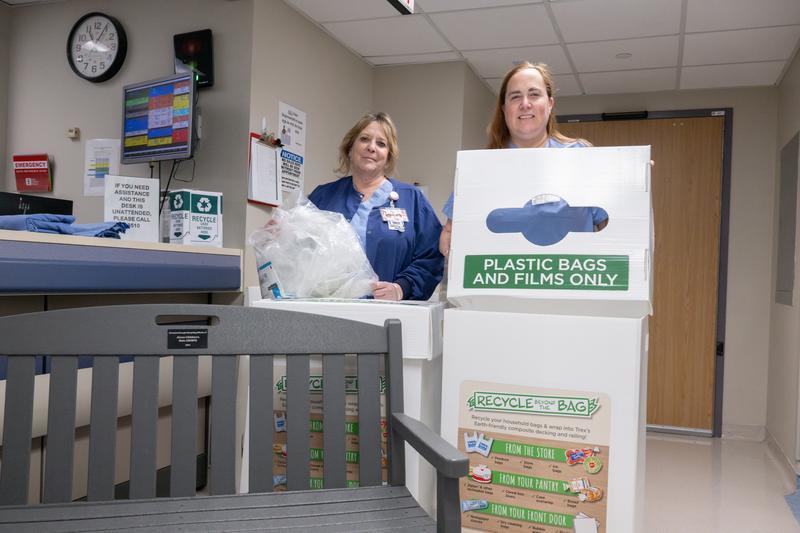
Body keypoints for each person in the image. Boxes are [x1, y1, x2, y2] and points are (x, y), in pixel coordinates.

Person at [439, 61, 606, 255]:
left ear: (550, 104)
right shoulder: (480, 168)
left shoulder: (582, 157)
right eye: (515, 97)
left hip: (570, 279)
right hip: (501, 280)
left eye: (534, 94)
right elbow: (451, 233)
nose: (525, 104)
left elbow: (617, 226)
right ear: (504, 109)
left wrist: (632, 182)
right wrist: (449, 241)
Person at [309, 112, 444, 301]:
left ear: (388, 156)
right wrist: (281, 234)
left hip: (386, 313)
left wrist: (401, 287)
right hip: (327, 311)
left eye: (381, 143)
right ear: (350, 148)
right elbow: (300, 250)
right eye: (364, 139)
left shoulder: (411, 199)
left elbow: (432, 256)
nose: (371, 148)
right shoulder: (322, 197)